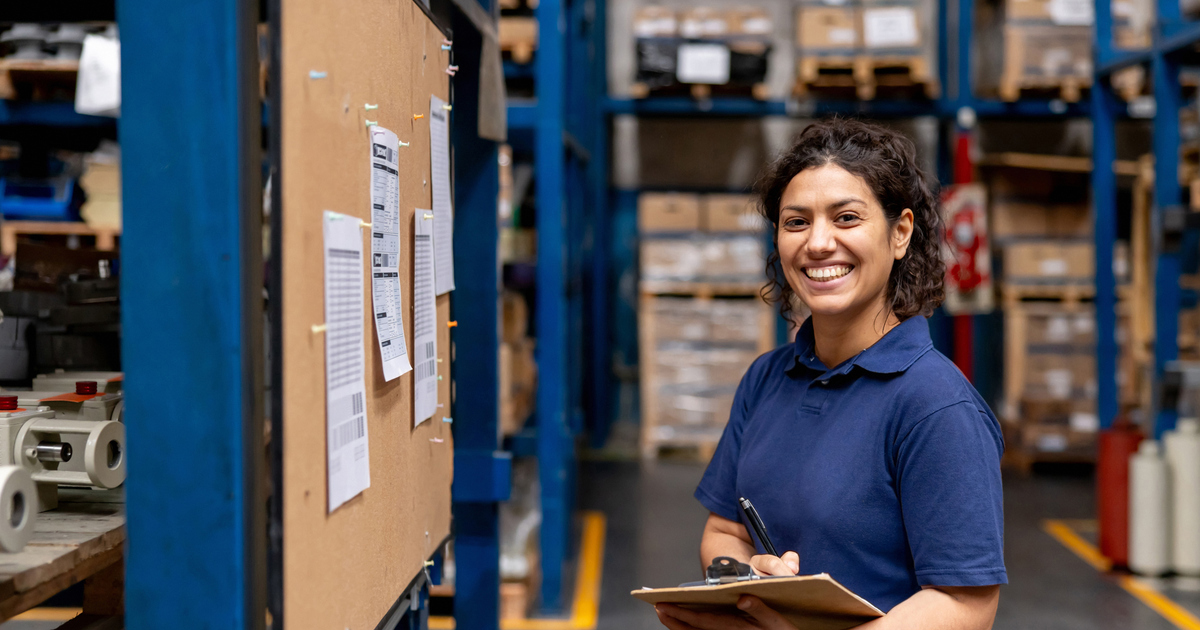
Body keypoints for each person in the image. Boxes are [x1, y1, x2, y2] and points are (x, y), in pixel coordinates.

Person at [654, 119, 1006, 630]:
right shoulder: (766, 379)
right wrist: (748, 577)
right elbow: (725, 530)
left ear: (900, 232)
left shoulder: (937, 406)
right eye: (796, 222)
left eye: (846, 218)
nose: (818, 243)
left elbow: (967, 605)